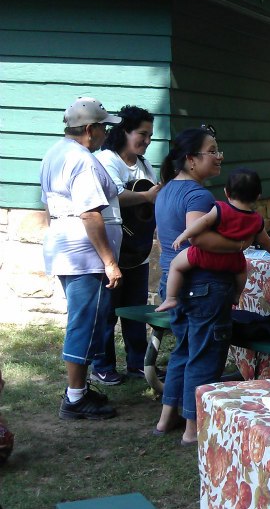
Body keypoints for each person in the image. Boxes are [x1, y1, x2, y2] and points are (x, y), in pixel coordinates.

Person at [154, 125, 250, 445]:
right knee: (205, 356)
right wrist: (238, 244)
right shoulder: (197, 194)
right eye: (212, 150)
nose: (219, 156)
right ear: (191, 160)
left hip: (173, 280)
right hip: (203, 285)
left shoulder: (167, 190)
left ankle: (166, 418)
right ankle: (194, 430)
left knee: (183, 350)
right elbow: (198, 238)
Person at [40, 97, 123, 420]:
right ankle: (75, 397)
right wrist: (109, 261)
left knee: (85, 318)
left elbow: (48, 203)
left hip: (64, 245)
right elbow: (90, 213)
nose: (105, 133)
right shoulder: (82, 159)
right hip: (83, 253)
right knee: (85, 322)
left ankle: (82, 388)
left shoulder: (54, 152)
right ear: (90, 129)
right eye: (103, 127)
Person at [90, 106, 161, 385]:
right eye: (142, 134)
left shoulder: (144, 164)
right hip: (113, 246)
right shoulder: (106, 160)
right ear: (124, 131)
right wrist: (147, 197)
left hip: (138, 248)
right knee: (107, 310)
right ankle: (102, 364)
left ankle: (137, 363)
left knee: (135, 309)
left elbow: (154, 194)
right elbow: (115, 195)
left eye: (150, 135)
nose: (146, 140)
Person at [156, 168, 270, 312]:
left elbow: (202, 222)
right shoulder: (257, 220)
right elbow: (265, 241)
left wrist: (185, 234)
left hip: (206, 255)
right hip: (233, 260)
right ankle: (236, 295)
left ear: (226, 192)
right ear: (258, 196)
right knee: (242, 272)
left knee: (175, 265)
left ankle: (171, 298)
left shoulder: (221, 209)